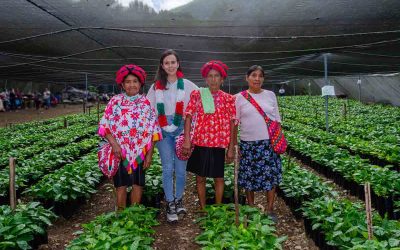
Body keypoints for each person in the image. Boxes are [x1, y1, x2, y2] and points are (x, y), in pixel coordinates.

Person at [98, 64, 162, 211]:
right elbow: (104, 125)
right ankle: (120, 214)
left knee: (137, 183)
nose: (131, 85)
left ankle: (134, 215)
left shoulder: (146, 104)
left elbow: (153, 131)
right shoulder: (115, 102)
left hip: (140, 151)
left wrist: (149, 155)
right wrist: (114, 145)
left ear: (140, 84)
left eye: (135, 81)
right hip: (120, 151)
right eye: (128, 81)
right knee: (120, 184)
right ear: (122, 84)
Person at [147, 49, 198, 222]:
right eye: (167, 63)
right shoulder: (155, 87)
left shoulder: (188, 85)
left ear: (178, 63)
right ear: (162, 65)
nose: (170, 66)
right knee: (168, 168)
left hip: (182, 128)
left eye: (173, 62)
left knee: (181, 170)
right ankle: (169, 203)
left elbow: (202, 100)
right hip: (162, 130)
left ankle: (179, 199)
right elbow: (148, 109)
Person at [183, 60, 236, 210]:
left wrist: (231, 147)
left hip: (219, 144)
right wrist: (187, 140)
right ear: (206, 79)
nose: (213, 79)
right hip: (201, 143)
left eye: (216, 76)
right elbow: (188, 116)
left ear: (222, 79)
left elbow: (233, 123)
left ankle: (218, 208)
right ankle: (203, 209)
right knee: (200, 178)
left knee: (219, 178)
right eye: (210, 76)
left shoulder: (228, 99)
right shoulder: (197, 95)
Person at [234, 65, 282, 222]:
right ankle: (251, 207)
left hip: (268, 144)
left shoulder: (270, 95)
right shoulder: (239, 97)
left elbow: (277, 119)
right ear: (246, 78)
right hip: (248, 144)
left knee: (270, 177)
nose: (257, 78)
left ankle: (270, 209)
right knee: (249, 177)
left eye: (260, 76)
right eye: (253, 75)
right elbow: (235, 123)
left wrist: (278, 140)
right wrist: (234, 144)